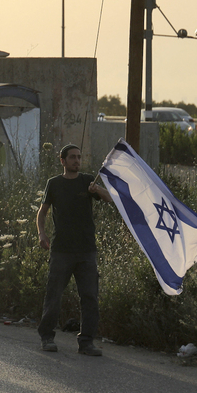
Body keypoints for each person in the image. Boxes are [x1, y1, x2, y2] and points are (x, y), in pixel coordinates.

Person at [36, 143, 112, 356]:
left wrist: (97, 189)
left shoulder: (88, 181)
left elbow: (110, 199)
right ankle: (47, 337)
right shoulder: (54, 183)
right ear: (63, 161)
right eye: (72, 157)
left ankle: (86, 342)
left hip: (87, 250)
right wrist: (42, 233)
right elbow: (42, 212)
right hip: (61, 250)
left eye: (79, 157)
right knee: (54, 295)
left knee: (90, 297)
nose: (77, 161)